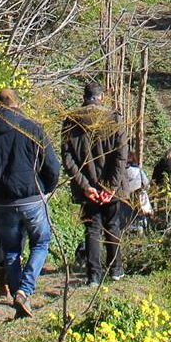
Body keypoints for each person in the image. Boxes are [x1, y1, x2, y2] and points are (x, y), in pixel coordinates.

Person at [0, 89, 60, 319]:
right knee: (41, 242)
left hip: (3, 202)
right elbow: (52, 165)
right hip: (31, 197)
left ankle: (18, 291)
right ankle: (25, 289)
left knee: (10, 249)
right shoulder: (32, 129)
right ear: (18, 105)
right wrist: (46, 188)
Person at [60, 81, 125, 286]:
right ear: (101, 97)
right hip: (110, 187)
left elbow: (67, 158)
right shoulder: (114, 119)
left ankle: (94, 276)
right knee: (112, 226)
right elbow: (121, 155)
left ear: (84, 97)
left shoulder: (71, 121)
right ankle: (115, 269)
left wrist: (85, 185)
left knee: (92, 230)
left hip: (87, 187)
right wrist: (112, 186)